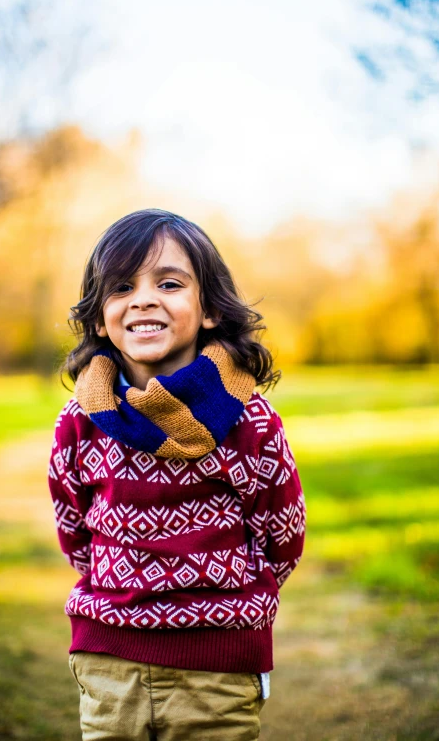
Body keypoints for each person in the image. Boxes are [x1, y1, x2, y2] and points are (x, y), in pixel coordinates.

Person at [47, 208, 306, 741]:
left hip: (217, 668)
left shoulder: (248, 421)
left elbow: (282, 537)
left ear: (209, 308)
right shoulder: (82, 420)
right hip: (108, 657)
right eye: (121, 286)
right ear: (100, 319)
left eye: (168, 283)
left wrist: (222, 605)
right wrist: (126, 587)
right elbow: (74, 527)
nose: (143, 299)